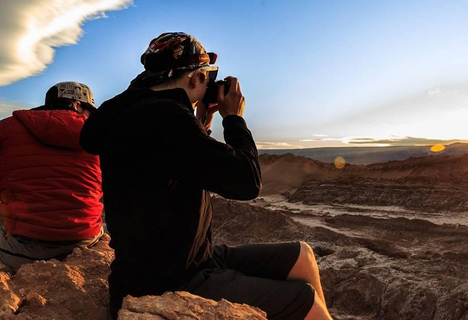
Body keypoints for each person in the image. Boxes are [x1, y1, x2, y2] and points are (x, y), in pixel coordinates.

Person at [80, 32, 332, 320]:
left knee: (302, 255)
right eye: (207, 77)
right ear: (194, 78)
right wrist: (234, 119)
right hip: (170, 280)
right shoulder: (165, 117)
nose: (209, 84)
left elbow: (176, 161)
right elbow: (247, 182)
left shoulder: (142, 112)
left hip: (193, 258)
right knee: (306, 300)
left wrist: (200, 123)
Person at [0, 81, 104, 272]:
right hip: (85, 242)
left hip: (22, 253)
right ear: (77, 105)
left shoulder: (7, 127)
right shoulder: (100, 135)